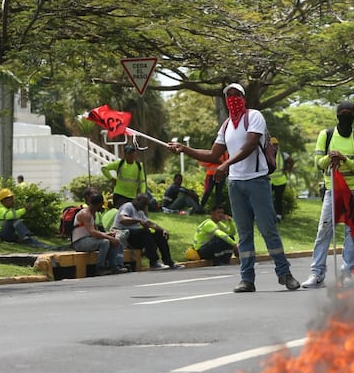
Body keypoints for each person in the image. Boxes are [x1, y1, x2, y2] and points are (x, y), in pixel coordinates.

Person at [167, 82, 300, 293]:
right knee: (244, 234)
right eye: (228, 95)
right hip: (236, 184)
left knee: (268, 230)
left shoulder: (254, 116)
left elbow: (250, 144)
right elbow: (212, 155)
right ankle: (247, 279)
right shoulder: (226, 125)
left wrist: (226, 164)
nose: (232, 98)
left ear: (243, 97)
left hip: (257, 181)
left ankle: (284, 273)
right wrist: (184, 149)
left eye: (236, 94)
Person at [302, 101, 354, 288]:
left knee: (351, 233)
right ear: (337, 115)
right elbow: (318, 164)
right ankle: (317, 273)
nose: (346, 116)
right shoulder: (326, 135)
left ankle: (347, 274)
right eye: (343, 113)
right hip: (332, 190)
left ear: (353, 116)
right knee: (324, 230)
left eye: (349, 113)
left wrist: (344, 160)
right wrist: (329, 157)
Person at [111, 193, 184, 270]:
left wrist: (163, 230)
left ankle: (168, 261)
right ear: (137, 200)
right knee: (144, 232)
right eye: (142, 204)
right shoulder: (128, 206)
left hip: (136, 236)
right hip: (124, 235)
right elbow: (122, 219)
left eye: (145, 205)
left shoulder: (140, 212)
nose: (143, 207)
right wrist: (138, 220)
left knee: (159, 234)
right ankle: (154, 262)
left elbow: (149, 223)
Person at [72, 193, 126, 276]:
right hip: (79, 242)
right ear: (99, 204)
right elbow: (92, 232)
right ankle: (100, 268)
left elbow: (96, 231)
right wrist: (109, 238)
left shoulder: (92, 214)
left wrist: (109, 234)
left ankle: (113, 266)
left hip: (89, 239)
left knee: (115, 240)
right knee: (105, 242)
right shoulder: (86, 214)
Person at [269, 137, 293, 222]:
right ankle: (269, 215)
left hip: (280, 181)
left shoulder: (283, 154)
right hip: (269, 180)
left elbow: (291, 161)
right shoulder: (266, 154)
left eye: (276, 145)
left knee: (278, 199)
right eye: (273, 145)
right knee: (267, 198)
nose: (275, 147)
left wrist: (287, 170)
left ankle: (278, 216)